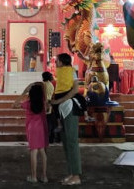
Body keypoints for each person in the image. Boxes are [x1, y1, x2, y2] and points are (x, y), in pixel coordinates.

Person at [49, 53, 82, 186]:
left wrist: (59, 100)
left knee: (72, 141)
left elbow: (75, 90)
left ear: (62, 62)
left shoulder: (72, 72)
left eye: (57, 60)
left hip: (69, 107)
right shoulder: (61, 73)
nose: (55, 62)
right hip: (62, 108)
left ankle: (76, 175)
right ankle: (71, 173)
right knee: (66, 142)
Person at [13, 81, 48, 183]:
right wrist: (38, 84)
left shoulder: (28, 104)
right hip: (41, 128)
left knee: (33, 151)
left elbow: (13, 105)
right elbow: (43, 85)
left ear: (31, 94)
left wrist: (24, 91)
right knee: (42, 151)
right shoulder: (43, 102)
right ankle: (44, 176)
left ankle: (34, 177)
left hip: (32, 129)